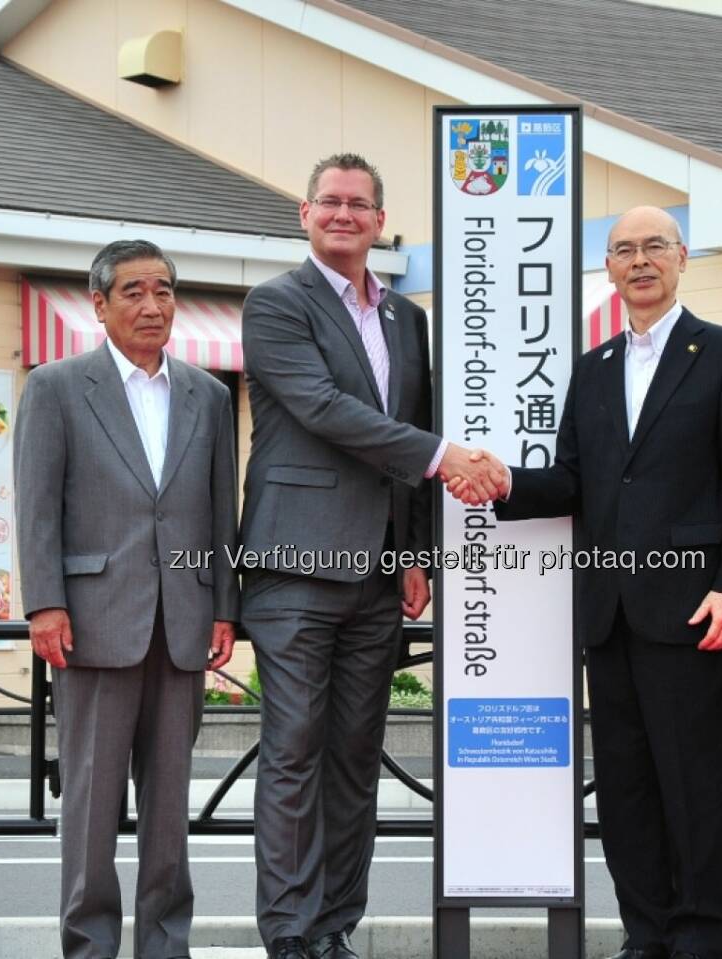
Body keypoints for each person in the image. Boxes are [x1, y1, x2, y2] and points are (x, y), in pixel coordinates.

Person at [463, 205, 722, 959]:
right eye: (624, 249)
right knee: (627, 786)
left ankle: (699, 934)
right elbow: (575, 479)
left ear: (682, 257)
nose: (640, 261)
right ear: (608, 267)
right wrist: (506, 485)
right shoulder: (593, 368)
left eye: (654, 246)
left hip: (692, 606)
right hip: (609, 611)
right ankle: (647, 932)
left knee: (692, 783)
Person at [239, 153, 505, 959]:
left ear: (380, 220)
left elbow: (406, 436)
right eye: (330, 201)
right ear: (305, 212)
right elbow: (324, 409)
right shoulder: (275, 305)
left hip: (380, 574)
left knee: (356, 755)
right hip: (294, 565)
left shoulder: (406, 320)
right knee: (293, 750)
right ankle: (289, 930)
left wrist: (417, 551)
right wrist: (445, 455)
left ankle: (333, 927)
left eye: (359, 204)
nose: (344, 214)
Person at [14, 239, 240, 959]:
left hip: (182, 626)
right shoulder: (55, 386)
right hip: (90, 625)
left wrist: (224, 605)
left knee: (169, 811)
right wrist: (44, 603)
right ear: (101, 304)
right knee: (88, 808)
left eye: (165, 290)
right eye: (135, 291)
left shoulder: (208, 393)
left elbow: (218, 509)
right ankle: (89, 947)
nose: (153, 304)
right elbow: (37, 505)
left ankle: (166, 948)